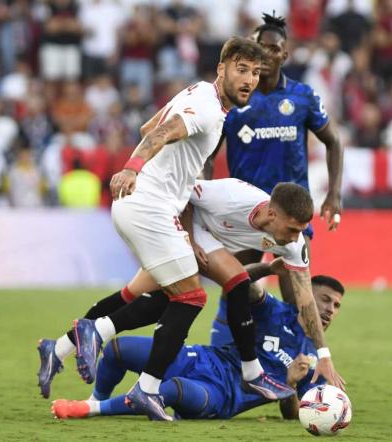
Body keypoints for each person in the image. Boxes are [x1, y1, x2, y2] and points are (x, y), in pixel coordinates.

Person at [77, 37, 266, 421]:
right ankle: (113, 355)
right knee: (191, 298)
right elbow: (161, 133)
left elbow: (151, 124)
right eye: (242, 69)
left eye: (256, 73)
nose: (249, 79)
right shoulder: (210, 112)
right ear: (222, 68)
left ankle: (85, 341)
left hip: (145, 204)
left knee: (167, 293)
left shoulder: (198, 92)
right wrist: (133, 167)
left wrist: (172, 170)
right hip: (149, 205)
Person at [38, 180, 344, 399]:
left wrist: (324, 354)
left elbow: (305, 301)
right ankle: (251, 372)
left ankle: (59, 348)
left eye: (300, 232)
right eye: (292, 230)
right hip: (180, 227)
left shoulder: (294, 244)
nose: (294, 239)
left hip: (205, 245)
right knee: (235, 282)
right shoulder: (231, 196)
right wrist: (190, 241)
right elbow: (184, 195)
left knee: (139, 296)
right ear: (273, 215)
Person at [50, 273, 346, 421]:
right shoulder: (275, 311)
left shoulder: (316, 359)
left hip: (222, 396)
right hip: (202, 358)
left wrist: (291, 384)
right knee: (117, 350)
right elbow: (244, 281)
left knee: (171, 389)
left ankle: (91, 409)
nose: (330, 310)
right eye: (324, 300)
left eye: (336, 305)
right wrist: (267, 266)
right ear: (305, 296)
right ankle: (96, 396)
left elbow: (292, 415)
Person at [209, 12, 343, 304]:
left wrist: (333, 194)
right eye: (260, 47)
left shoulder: (302, 97)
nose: (266, 54)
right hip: (245, 212)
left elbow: (333, 143)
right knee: (236, 295)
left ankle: (304, 351)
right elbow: (207, 155)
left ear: (285, 53)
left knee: (299, 299)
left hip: (293, 213)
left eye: (273, 48)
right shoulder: (233, 99)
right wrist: (205, 203)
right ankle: (241, 350)